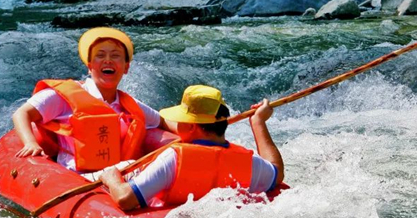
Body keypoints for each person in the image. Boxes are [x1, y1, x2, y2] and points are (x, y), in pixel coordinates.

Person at [12, 27, 174, 173]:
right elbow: (22, 113)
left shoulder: (129, 104)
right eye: (100, 55)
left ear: (126, 68)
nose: (108, 60)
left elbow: (162, 121)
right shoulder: (64, 95)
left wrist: (196, 129)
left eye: (115, 56)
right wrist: (30, 143)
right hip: (75, 177)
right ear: (90, 66)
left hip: (118, 173)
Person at [101, 85, 284, 210]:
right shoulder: (249, 162)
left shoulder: (173, 158)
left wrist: (112, 178)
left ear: (190, 126)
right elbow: (277, 173)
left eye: (181, 120)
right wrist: (258, 122)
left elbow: (125, 199)